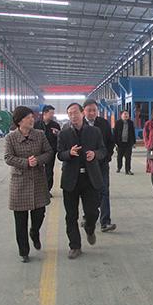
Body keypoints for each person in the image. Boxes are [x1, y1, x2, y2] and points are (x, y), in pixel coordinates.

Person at [4, 106, 54, 263]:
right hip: (19, 182)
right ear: (19, 121)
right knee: (20, 220)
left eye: (32, 117)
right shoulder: (11, 138)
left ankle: (34, 231)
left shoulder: (39, 135)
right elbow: (8, 157)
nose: (32, 120)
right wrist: (26, 162)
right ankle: (23, 251)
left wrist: (37, 160)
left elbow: (49, 152)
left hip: (38, 180)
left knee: (39, 213)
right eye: (28, 117)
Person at [57, 103, 106, 259]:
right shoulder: (64, 134)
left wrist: (95, 154)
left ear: (82, 113)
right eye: (70, 113)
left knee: (92, 212)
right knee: (71, 215)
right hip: (71, 179)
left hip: (90, 178)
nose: (73, 116)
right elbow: (59, 154)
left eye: (75, 112)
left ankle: (90, 229)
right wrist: (69, 153)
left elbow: (103, 150)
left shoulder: (94, 131)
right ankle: (75, 246)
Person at [83, 99, 117, 232]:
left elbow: (110, 141)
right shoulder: (79, 124)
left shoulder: (103, 123)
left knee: (104, 191)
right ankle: (87, 217)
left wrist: (107, 157)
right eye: (89, 110)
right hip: (85, 166)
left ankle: (105, 221)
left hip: (101, 164)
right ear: (84, 111)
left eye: (94, 110)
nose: (92, 113)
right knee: (87, 192)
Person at [34, 105, 61, 197]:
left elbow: (60, 139)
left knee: (49, 172)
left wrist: (57, 134)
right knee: (38, 171)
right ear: (45, 113)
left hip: (50, 152)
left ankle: (47, 190)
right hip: (38, 152)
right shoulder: (36, 125)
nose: (53, 115)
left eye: (53, 113)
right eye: (51, 113)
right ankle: (37, 190)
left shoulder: (55, 125)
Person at [113, 110, 136, 175]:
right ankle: (119, 167)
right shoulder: (118, 123)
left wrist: (134, 142)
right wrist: (115, 142)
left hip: (128, 143)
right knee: (119, 157)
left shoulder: (131, 123)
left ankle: (128, 170)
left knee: (128, 157)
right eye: (125, 114)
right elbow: (115, 133)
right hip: (120, 143)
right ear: (121, 115)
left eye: (127, 114)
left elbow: (133, 133)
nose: (126, 115)